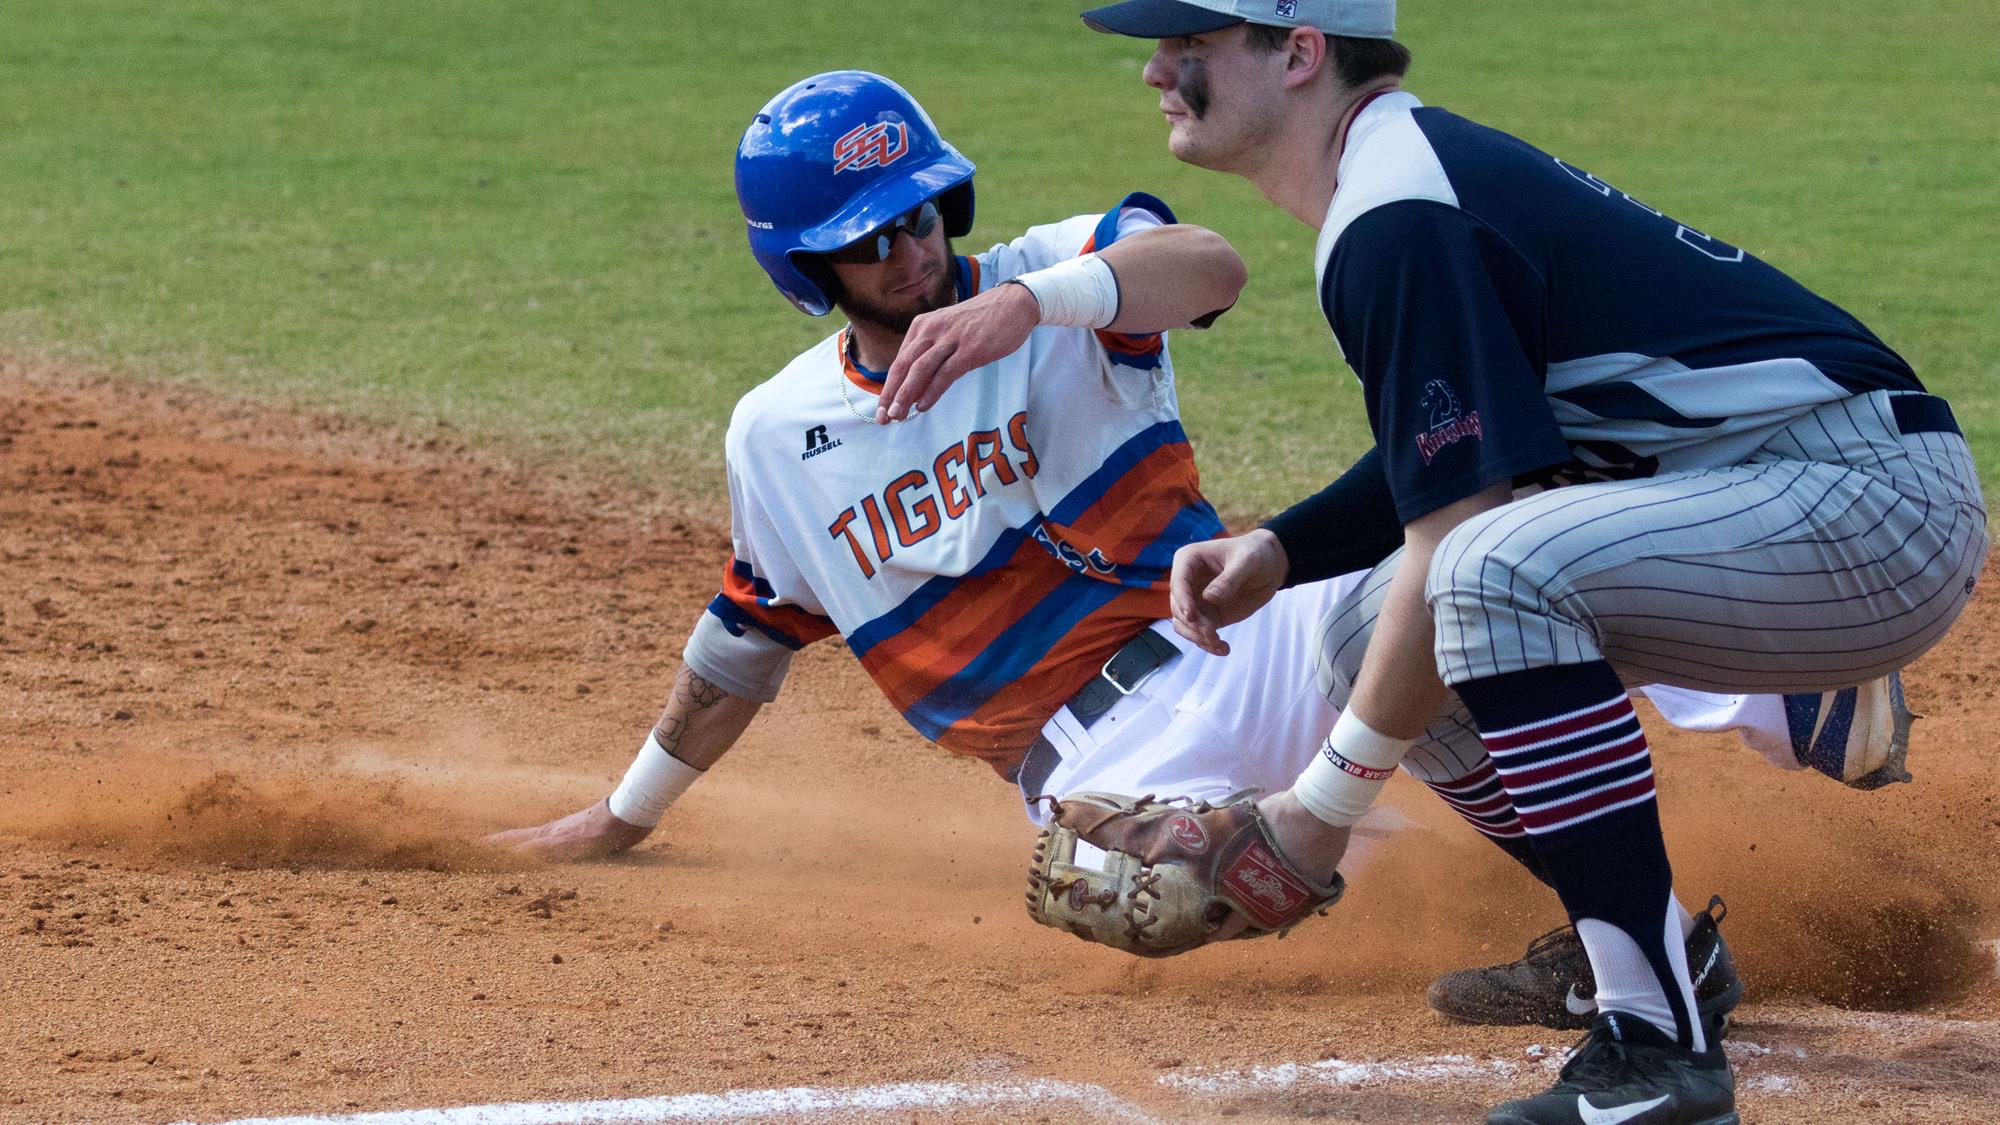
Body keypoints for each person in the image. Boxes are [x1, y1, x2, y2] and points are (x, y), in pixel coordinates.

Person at [490, 64, 1903, 1072]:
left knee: (1455, 577)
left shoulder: (1052, 279)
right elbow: (744, 641)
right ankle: (1639, 950)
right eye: (869, 242)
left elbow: (1208, 265)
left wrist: (1039, 306)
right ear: (806, 268)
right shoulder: (774, 439)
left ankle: (1792, 703)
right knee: (1219, 884)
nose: (912, 254)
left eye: (923, 216)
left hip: (1245, 630)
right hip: (1106, 768)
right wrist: (625, 812)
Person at [1077, 2, 1986, 1123]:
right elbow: (1487, 442)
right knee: (1366, 631)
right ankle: (1652, 958)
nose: (1156, 71)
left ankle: (1657, 1054)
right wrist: (1284, 545)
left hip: (1865, 510)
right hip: (1776, 493)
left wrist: (1309, 817)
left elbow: (1462, 526)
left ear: (1298, 53)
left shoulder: (1396, 214)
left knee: (1483, 576)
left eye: (1192, 46)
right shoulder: (1392, 186)